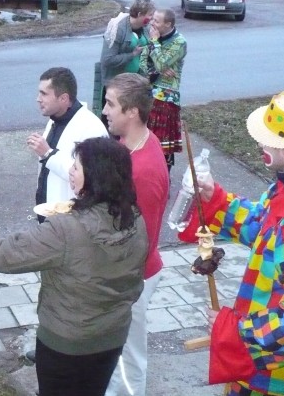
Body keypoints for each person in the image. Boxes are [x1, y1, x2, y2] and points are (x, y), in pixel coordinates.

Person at [0, 136, 148, 396]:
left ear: (95, 177)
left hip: (65, 343)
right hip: (112, 337)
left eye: (76, 167)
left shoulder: (65, 229)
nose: (70, 171)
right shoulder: (135, 217)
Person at [179, 92, 284, 396]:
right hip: (255, 366)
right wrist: (217, 200)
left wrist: (235, 329)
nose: (260, 145)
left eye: (266, 140)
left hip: (280, 379)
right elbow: (260, 227)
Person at [101, 73, 170, 396]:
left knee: (128, 360)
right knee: (115, 351)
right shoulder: (128, 145)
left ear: (132, 112)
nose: (104, 110)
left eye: (110, 104)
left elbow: (141, 238)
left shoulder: (144, 171)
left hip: (132, 277)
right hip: (122, 273)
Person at [26, 67, 107, 223]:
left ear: (63, 98)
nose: (38, 99)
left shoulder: (91, 128)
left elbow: (90, 179)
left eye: (44, 94)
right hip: (50, 215)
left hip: (70, 223)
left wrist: (48, 154)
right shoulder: (55, 118)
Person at [140, 8, 187, 173]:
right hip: (148, 94)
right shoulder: (154, 36)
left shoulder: (179, 42)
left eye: (157, 21)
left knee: (163, 146)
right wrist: (158, 69)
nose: (152, 23)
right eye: (153, 19)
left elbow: (160, 64)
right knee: (145, 140)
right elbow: (142, 63)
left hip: (166, 99)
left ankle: (163, 177)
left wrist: (154, 43)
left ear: (168, 24)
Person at [97, 0, 155, 125]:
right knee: (114, 123)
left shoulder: (145, 28)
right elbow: (107, 59)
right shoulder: (118, 28)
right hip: (116, 87)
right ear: (139, 14)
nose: (152, 18)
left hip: (135, 85)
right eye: (150, 15)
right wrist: (131, 55)